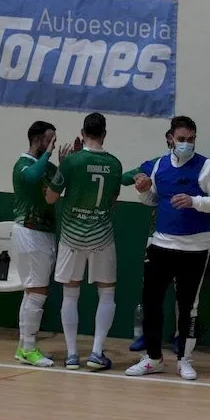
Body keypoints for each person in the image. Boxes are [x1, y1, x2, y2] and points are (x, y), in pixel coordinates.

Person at [126, 116, 210, 380]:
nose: (186, 144)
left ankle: (185, 359)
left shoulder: (206, 167)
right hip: (161, 244)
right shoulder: (159, 165)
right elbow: (151, 200)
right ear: (170, 138)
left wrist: (195, 201)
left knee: (188, 305)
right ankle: (152, 358)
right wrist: (142, 190)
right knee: (151, 302)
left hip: (195, 247)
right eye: (182, 139)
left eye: (191, 139)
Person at [45, 113, 123, 371]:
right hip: (102, 235)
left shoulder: (71, 162)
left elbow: (50, 198)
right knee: (107, 292)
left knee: (70, 293)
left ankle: (70, 355)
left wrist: (62, 166)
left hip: (72, 237)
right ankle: (97, 352)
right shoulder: (115, 164)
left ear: (82, 132)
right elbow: (112, 202)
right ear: (105, 133)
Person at [12, 121, 68, 367]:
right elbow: (33, 176)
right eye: (49, 140)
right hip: (29, 231)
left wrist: (66, 163)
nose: (53, 144)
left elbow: (58, 185)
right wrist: (47, 154)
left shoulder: (47, 166)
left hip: (45, 232)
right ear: (37, 140)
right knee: (37, 291)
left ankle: (24, 347)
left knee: (33, 290)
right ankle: (29, 348)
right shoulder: (23, 165)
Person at [124, 128, 177, 354]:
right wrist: (138, 177)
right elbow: (125, 177)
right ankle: (147, 335)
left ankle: (180, 336)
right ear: (169, 139)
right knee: (151, 290)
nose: (181, 143)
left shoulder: (197, 166)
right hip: (157, 236)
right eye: (177, 139)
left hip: (185, 237)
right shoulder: (156, 164)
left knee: (183, 292)